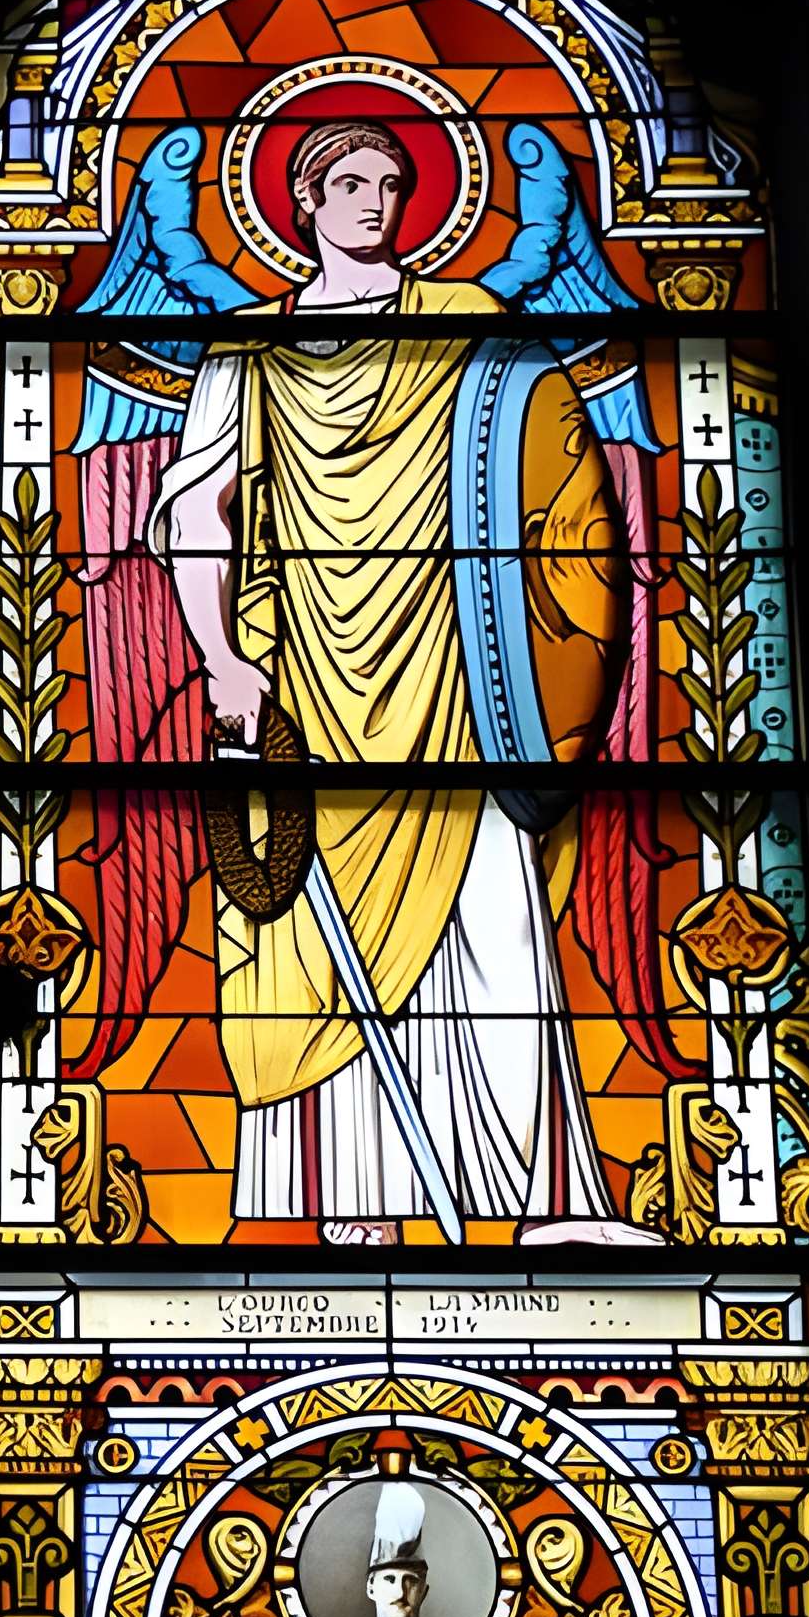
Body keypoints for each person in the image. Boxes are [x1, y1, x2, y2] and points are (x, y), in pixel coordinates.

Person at [151, 118, 643, 1243]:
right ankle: (352, 1200)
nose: (374, 202)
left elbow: (555, 505)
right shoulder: (248, 347)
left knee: (494, 925)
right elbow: (195, 507)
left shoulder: (474, 331)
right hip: (305, 682)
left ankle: (538, 1200)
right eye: (350, 182)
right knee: (317, 950)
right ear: (302, 203)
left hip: (460, 669)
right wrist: (220, 658)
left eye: (391, 182)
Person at [329, 1482, 460, 1617]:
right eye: (389, 1579)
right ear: (370, 1586)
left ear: (424, 1591)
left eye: (411, 1581)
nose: (400, 1592)